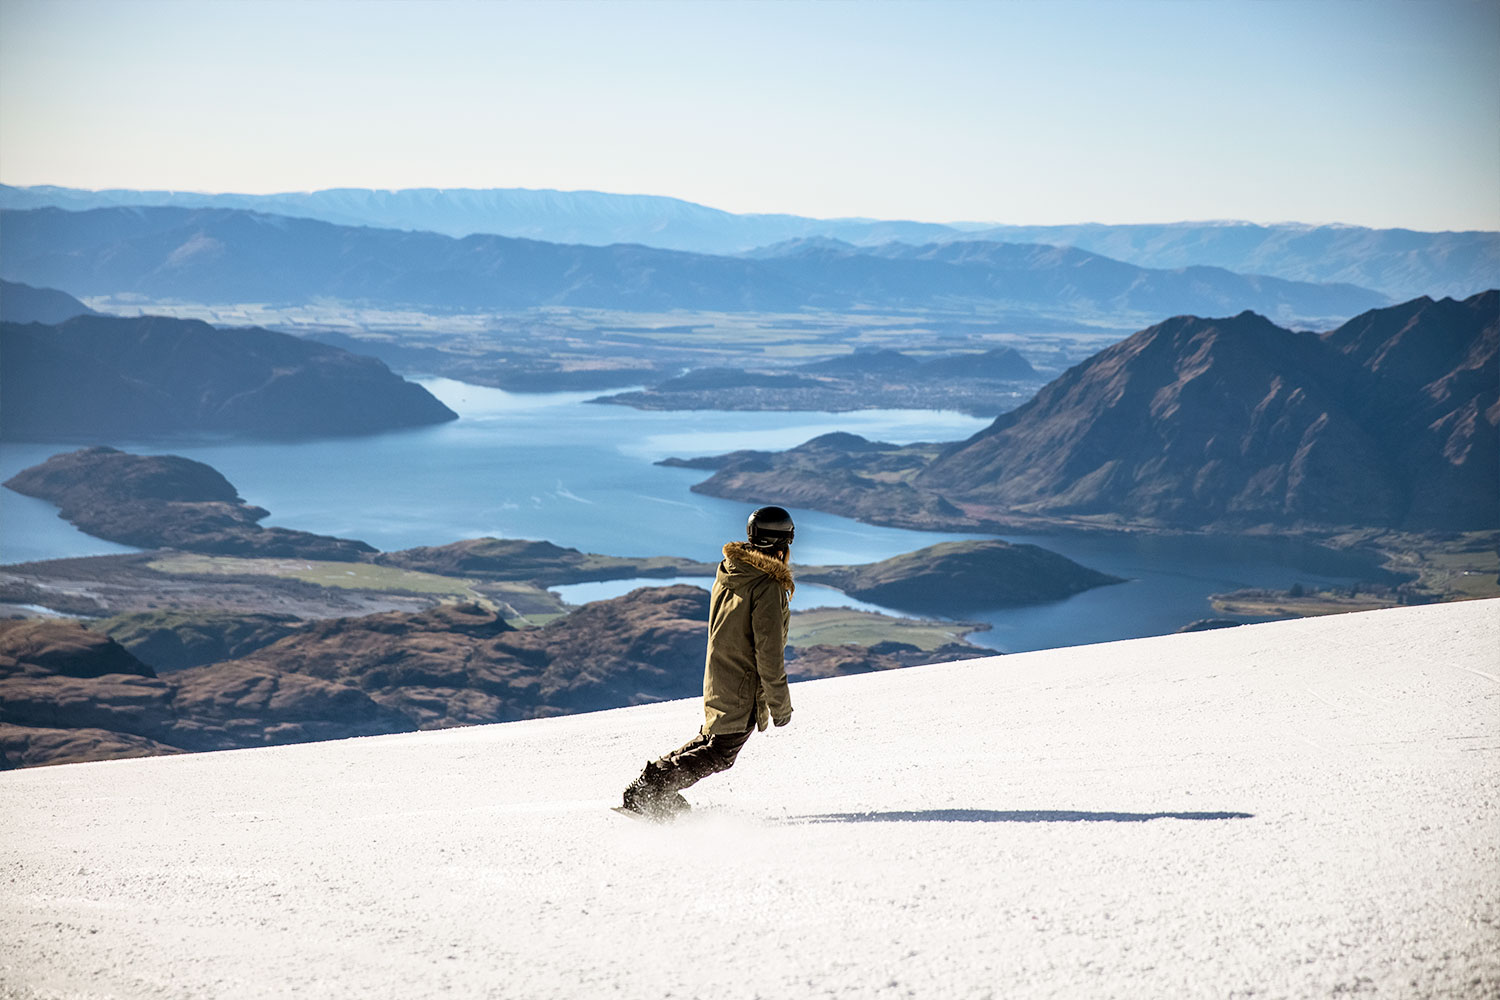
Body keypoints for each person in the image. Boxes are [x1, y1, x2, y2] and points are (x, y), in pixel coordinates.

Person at [620, 505, 796, 820]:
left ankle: (653, 789)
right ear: (784, 543)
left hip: (721, 673)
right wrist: (780, 707)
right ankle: (650, 789)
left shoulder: (733, 569)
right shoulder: (766, 585)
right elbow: (769, 654)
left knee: (714, 740)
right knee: (721, 751)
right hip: (742, 681)